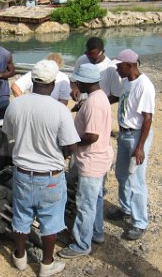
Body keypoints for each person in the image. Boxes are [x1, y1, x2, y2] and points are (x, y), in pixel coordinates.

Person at [3, 59, 80, 277]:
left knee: (21, 216)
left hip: (23, 174)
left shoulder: (15, 105)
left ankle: (19, 257)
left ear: (32, 80)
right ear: (53, 83)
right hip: (50, 177)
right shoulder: (59, 111)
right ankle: (46, 264)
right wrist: (61, 154)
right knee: (51, 221)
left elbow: (7, 134)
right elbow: (71, 147)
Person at [58, 64, 113, 258]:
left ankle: (82, 244)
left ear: (84, 82)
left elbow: (92, 136)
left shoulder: (94, 103)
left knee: (85, 204)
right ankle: (96, 233)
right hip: (98, 157)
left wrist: (71, 142)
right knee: (95, 200)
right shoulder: (98, 97)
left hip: (92, 160)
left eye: (77, 82)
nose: (76, 85)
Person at [107, 49, 155, 241]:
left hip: (137, 136)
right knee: (121, 174)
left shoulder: (145, 86)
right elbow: (118, 97)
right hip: (125, 134)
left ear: (130, 65)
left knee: (136, 180)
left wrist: (140, 146)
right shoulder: (127, 82)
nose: (117, 70)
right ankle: (126, 209)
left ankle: (140, 222)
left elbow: (148, 118)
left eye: (119, 66)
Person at [70, 37, 122, 106]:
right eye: (87, 54)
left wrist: (93, 104)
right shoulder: (81, 60)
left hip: (100, 108)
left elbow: (116, 96)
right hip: (82, 106)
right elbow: (73, 80)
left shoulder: (111, 68)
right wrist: (75, 89)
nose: (90, 58)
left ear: (102, 52)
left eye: (93, 55)